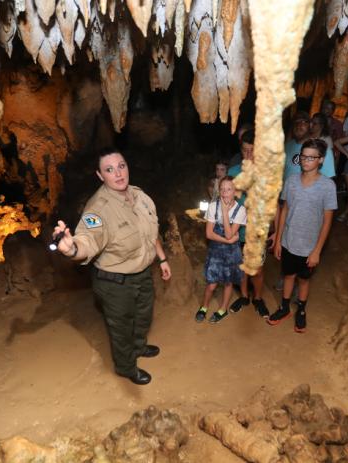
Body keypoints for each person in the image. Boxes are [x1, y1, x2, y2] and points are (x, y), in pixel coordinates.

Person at [52, 148, 171, 386]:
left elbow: (151, 232)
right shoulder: (98, 209)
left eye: (121, 166)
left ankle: (138, 347)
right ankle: (126, 367)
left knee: (143, 317)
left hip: (143, 274)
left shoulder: (141, 196)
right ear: (100, 175)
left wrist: (162, 258)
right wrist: (72, 249)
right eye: (109, 170)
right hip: (115, 283)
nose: (118, 173)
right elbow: (88, 239)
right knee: (122, 327)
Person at [268, 139, 337, 333]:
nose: (305, 161)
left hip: (309, 245)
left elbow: (327, 221)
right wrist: (279, 238)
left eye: (311, 157)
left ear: (321, 160)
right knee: (288, 275)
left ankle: (301, 310)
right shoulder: (291, 181)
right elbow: (285, 209)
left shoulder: (327, 186)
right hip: (289, 241)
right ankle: (284, 308)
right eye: (303, 156)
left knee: (304, 280)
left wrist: (317, 251)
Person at [227, 130, 270, 318]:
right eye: (245, 150)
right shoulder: (233, 172)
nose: (249, 155)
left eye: (252, 150)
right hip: (238, 230)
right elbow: (227, 200)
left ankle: (258, 298)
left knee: (257, 270)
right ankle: (244, 296)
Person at [195, 176, 246, 324]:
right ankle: (204, 307)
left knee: (228, 282)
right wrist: (227, 240)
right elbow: (209, 234)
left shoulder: (240, 210)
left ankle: (222, 309)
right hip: (216, 251)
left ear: (235, 191)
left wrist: (224, 212)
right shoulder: (212, 207)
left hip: (231, 254)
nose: (225, 193)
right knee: (211, 284)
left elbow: (230, 233)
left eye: (229, 189)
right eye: (222, 189)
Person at [282, 111, 311, 182]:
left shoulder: (320, 149)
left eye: (303, 122)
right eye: (296, 123)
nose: (299, 125)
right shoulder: (287, 145)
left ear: (310, 125)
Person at [308, 113, 336, 179]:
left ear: (321, 126)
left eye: (314, 123)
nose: (311, 125)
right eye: (311, 122)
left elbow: (330, 160)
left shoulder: (326, 139)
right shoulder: (307, 137)